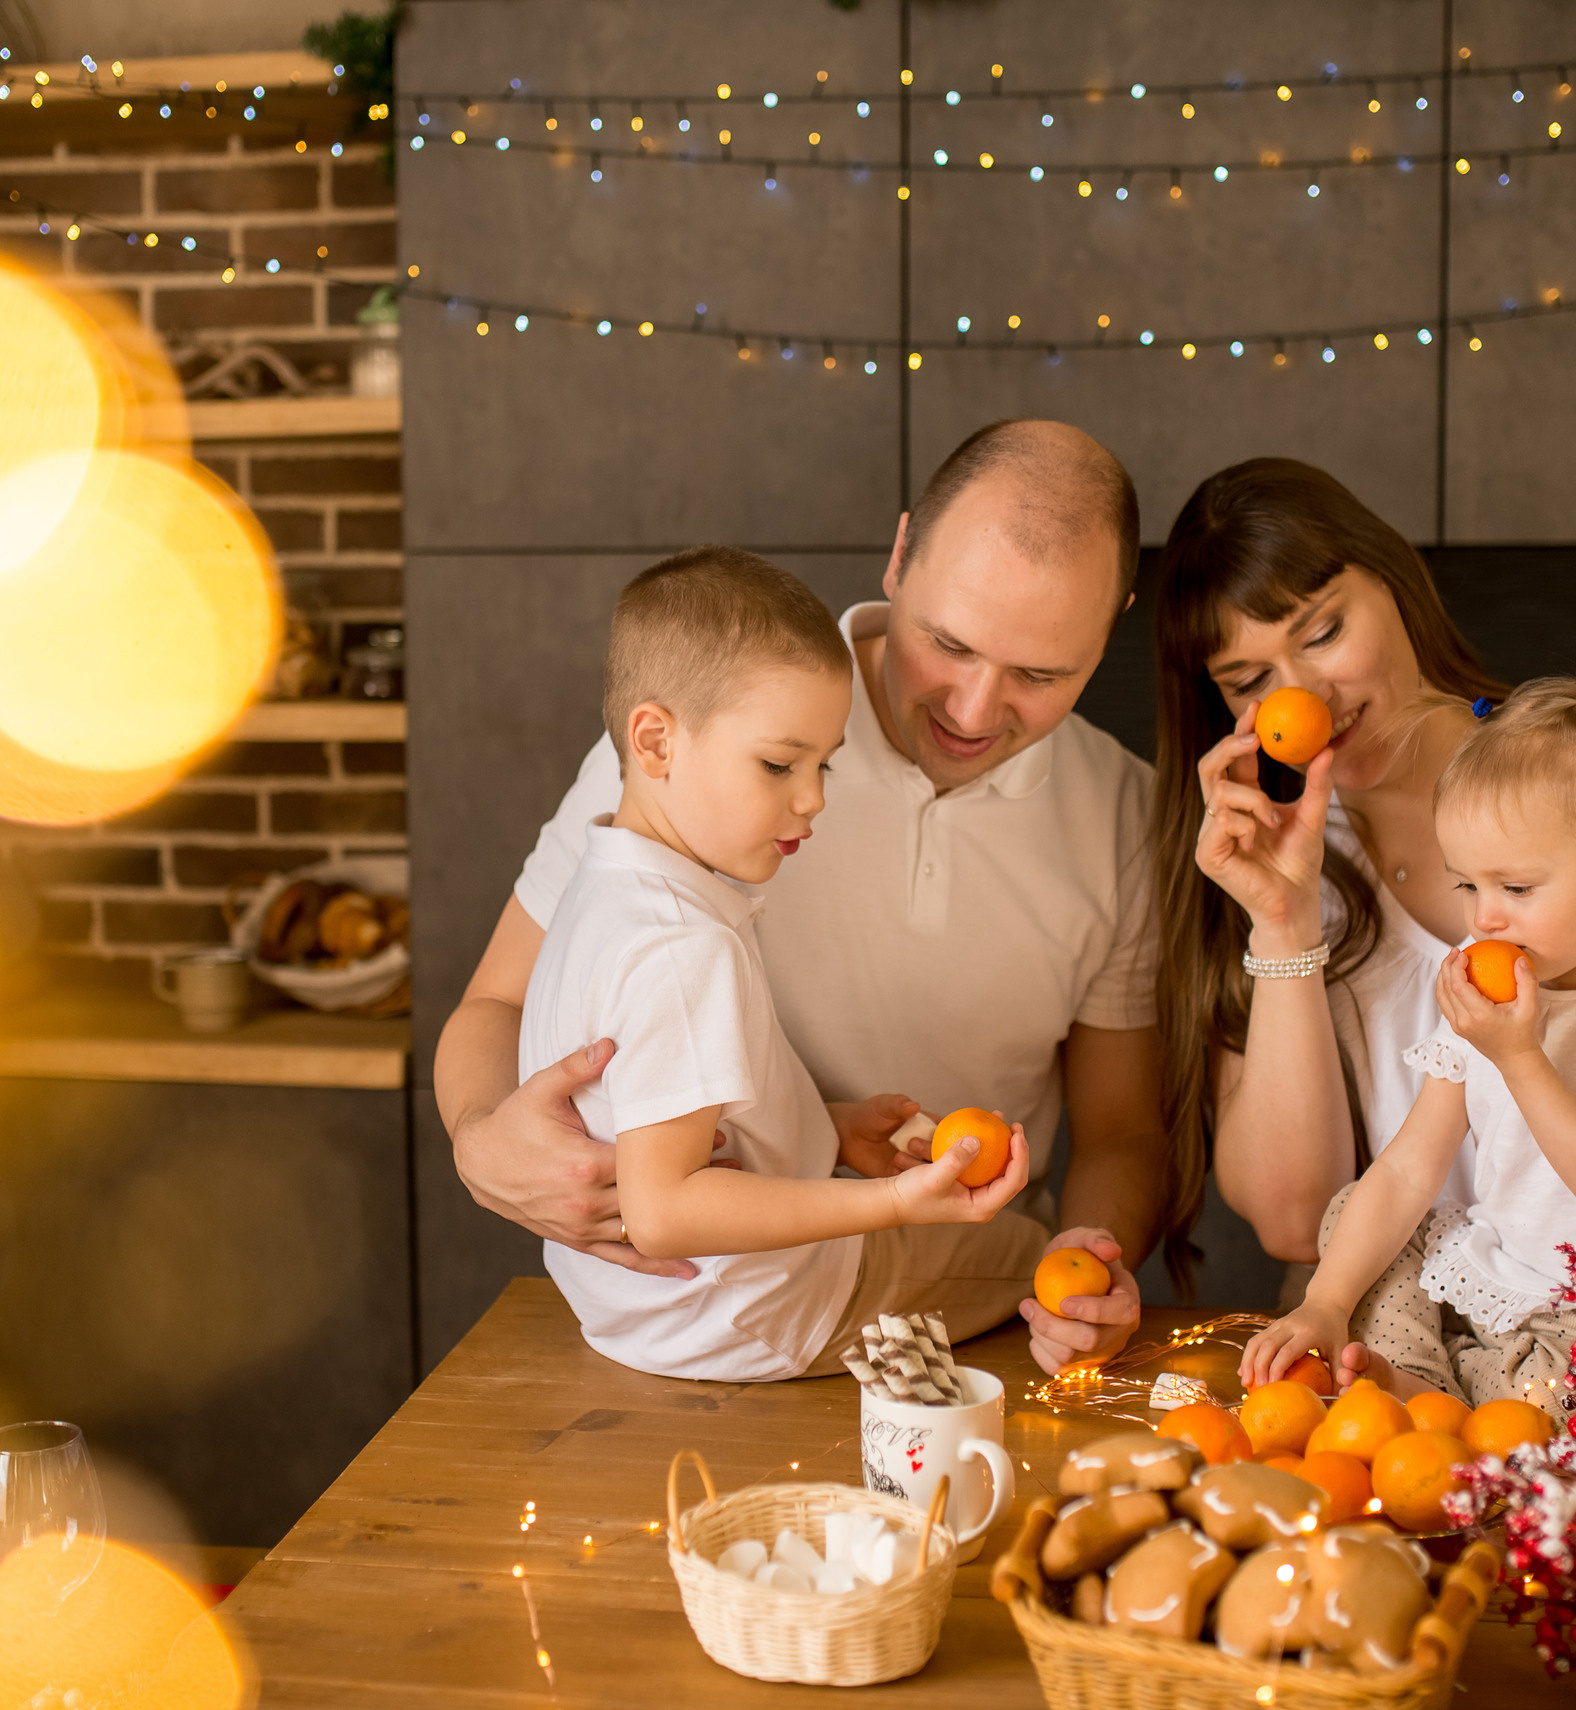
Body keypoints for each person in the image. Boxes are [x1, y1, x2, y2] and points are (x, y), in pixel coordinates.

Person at [438, 421, 1164, 1375]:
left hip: (950, 1325)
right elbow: (496, 1003)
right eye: (948, 644)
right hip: (739, 1305)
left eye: (1040, 675)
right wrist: (481, 1140)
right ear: (900, 557)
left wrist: (1089, 1264)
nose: (974, 710)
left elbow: (1121, 1132)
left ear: (1111, 629)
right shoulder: (702, 742)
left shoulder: (1124, 815)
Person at [1156, 458, 1576, 1402]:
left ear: (1396, 583)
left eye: (1323, 632)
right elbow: (1295, 1219)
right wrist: (1282, 922)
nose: (1302, 701)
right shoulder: (1265, 859)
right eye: (1249, 682)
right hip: (1411, 1336)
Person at [526, 547, 1044, 1380]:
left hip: (631, 1315)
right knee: (1032, 1256)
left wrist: (821, 1128)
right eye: (779, 764)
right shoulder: (683, 946)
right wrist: (890, 1206)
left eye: (823, 764)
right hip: (749, 1315)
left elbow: (652, 1116)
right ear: (655, 741)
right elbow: (662, 1212)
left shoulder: (606, 883)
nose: (813, 799)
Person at [1238, 678, 1576, 1404]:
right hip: (1503, 1286)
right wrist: (1327, 1301)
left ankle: (1435, 1398)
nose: (1486, 918)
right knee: (1357, 1218)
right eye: (1467, 885)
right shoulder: (1492, 996)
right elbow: (1409, 1169)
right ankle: (1424, 1379)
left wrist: (1519, 1056)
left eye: (1517, 888)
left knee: (1568, 1394)